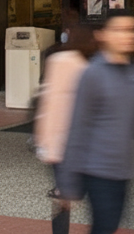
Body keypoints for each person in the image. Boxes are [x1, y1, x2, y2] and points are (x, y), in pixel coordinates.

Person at [61, 10, 134, 234]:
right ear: (103, 35)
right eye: (120, 30)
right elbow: (78, 128)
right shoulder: (93, 74)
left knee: (109, 226)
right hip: (97, 173)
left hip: (124, 173)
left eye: (132, 30)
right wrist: (69, 184)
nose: (129, 35)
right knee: (105, 228)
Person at [34, 19, 97, 234]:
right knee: (68, 195)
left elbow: (46, 102)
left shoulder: (63, 61)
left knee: (65, 195)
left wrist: (43, 140)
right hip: (68, 142)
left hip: (59, 142)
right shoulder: (80, 66)